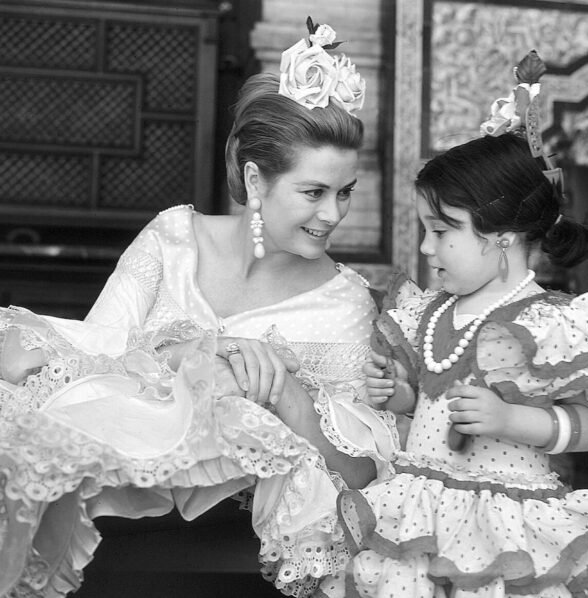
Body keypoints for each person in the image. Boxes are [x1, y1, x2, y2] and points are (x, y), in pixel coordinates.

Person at [0, 21, 398, 598]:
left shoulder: (346, 302)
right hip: (106, 521)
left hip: (223, 550)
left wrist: (286, 391)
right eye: (314, 192)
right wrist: (192, 351)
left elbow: (359, 473)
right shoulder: (173, 238)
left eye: (346, 192)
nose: (334, 214)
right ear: (256, 180)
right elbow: (88, 356)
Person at [333, 129, 588, 595]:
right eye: (425, 230)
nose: (426, 247)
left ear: (502, 238)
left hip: (506, 526)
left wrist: (510, 419)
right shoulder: (428, 313)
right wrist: (400, 394)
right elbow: (432, 402)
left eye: (441, 231)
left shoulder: (549, 325)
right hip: (421, 515)